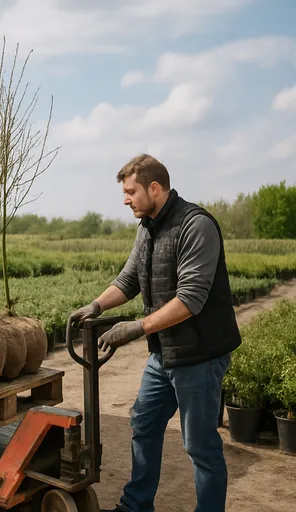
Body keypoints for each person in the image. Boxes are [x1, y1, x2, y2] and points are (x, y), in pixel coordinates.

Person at [70, 154, 241, 512]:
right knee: (143, 423)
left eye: (130, 191)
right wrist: (96, 305)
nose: (125, 199)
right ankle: (136, 506)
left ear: (154, 187)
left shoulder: (196, 225)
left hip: (200, 354)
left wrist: (136, 327)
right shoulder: (146, 228)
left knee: (199, 446)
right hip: (164, 354)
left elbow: (190, 299)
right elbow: (129, 279)